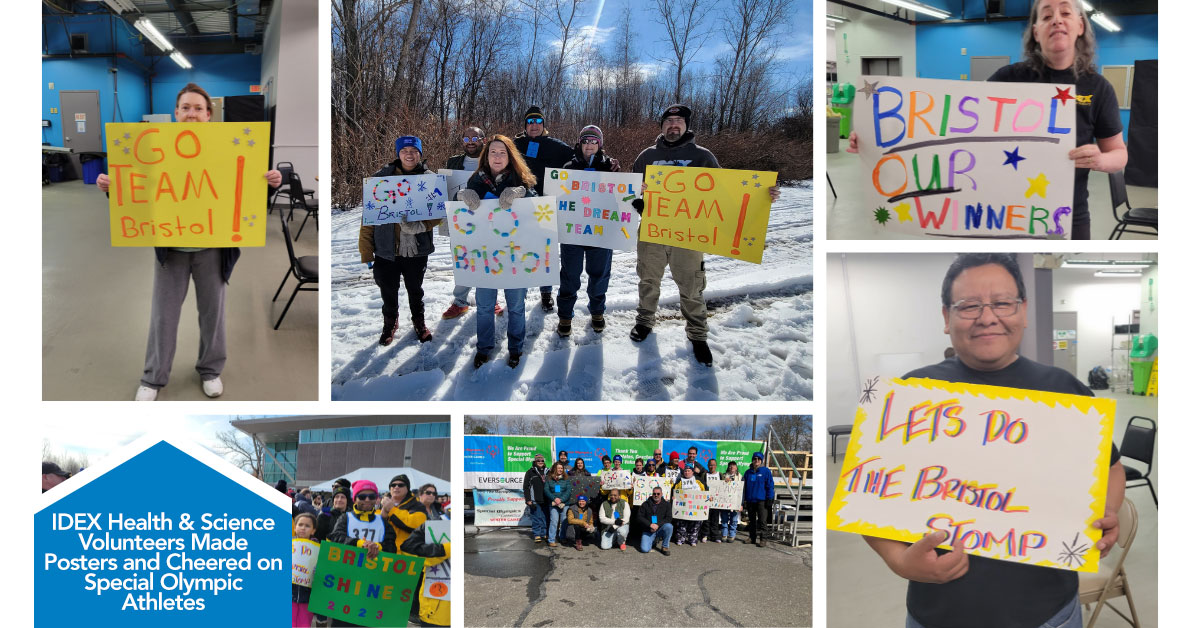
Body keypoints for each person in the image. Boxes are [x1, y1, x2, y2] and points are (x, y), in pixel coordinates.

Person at [864, 252, 1123, 628]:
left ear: (1023, 310)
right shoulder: (911, 395)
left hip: (1049, 614)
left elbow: (1113, 469)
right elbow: (868, 498)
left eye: (1002, 303)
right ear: (945, 317)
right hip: (937, 615)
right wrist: (898, 560)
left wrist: (1107, 510)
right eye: (968, 306)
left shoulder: (1065, 392)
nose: (988, 317)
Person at [847, 0, 1125, 240]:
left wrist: (1102, 159)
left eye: (1065, 13)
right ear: (1036, 32)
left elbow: (1119, 154)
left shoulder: (1098, 88)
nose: (1056, 20)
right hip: (1002, 213)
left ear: (1080, 26)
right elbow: (948, 127)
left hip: (1068, 215)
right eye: (1046, 15)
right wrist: (873, 136)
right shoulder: (1008, 78)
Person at [96, 83, 282, 401]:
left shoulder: (229, 148)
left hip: (212, 250)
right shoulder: (158, 148)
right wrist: (113, 188)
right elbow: (139, 190)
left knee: (213, 314)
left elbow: (243, 195)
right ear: (176, 113)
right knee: (163, 316)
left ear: (209, 114)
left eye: (198, 108)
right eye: (185, 108)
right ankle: (153, 378)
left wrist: (269, 185)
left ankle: (210, 371)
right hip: (171, 251)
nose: (191, 113)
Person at [628, 104, 780, 366]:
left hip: (689, 235)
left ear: (687, 126)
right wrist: (636, 199)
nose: (673, 125)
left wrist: (763, 195)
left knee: (692, 286)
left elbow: (727, 193)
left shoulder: (703, 156)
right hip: (653, 231)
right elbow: (629, 192)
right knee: (648, 279)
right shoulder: (646, 156)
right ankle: (644, 321)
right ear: (661, 126)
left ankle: (697, 335)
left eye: (678, 121)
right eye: (669, 121)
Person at [458, 135, 538, 369]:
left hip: (515, 255)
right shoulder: (476, 179)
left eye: (502, 152)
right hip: (485, 256)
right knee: (484, 305)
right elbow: (458, 209)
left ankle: (516, 347)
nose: (497, 156)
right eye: (493, 152)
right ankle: (484, 348)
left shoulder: (521, 178)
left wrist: (521, 194)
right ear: (486, 155)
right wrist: (462, 196)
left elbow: (536, 204)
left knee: (515, 305)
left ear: (510, 155)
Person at [359, 136, 442, 346]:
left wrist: (421, 226)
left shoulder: (429, 178)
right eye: (404, 150)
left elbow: (438, 213)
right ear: (398, 153)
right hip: (386, 249)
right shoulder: (381, 178)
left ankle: (419, 321)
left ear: (420, 154)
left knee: (415, 289)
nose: (409, 154)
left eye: (414, 150)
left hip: (417, 248)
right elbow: (368, 218)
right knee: (388, 290)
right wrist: (366, 251)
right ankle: (390, 323)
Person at [554, 124, 619, 337]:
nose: (589, 145)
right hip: (574, 230)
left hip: (600, 230)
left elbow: (621, 197)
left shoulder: (610, 166)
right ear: (580, 143)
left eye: (594, 141)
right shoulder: (568, 166)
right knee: (570, 275)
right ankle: (565, 316)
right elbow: (559, 196)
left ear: (599, 144)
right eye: (586, 140)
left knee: (599, 275)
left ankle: (597, 313)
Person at [512, 106, 576, 313]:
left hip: (546, 206)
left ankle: (546, 293)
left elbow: (578, 157)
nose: (534, 126)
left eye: (538, 122)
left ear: (543, 125)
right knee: (518, 247)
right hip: (519, 205)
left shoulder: (555, 145)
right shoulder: (515, 145)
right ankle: (517, 292)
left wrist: (606, 162)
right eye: (530, 122)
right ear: (525, 125)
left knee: (545, 250)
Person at [441, 125, 503, 319]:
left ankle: (491, 300)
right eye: (466, 139)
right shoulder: (453, 162)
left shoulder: (492, 161)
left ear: (483, 140)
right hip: (461, 222)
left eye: (474, 138)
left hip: (488, 221)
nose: (470, 142)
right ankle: (460, 301)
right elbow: (444, 191)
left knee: (490, 258)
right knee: (462, 260)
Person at [399, 488, 450, 627]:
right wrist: (447, 549)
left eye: (434, 493)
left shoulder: (440, 514)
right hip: (435, 609)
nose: (432, 496)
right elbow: (409, 548)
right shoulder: (432, 521)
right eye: (428, 493)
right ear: (420, 496)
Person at [382, 473, 426, 546]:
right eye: (393, 485)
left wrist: (392, 510)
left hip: (405, 551)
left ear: (407, 489)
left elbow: (414, 525)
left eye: (401, 485)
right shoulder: (382, 504)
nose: (396, 487)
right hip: (384, 549)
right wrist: (383, 517)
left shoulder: (417, 505)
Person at [291, 512, 318, 628]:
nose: (303, 528)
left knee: (304, 624)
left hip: (307, 597)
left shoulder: (318, 549)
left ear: (313, 530)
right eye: (300, 524)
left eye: (307, 526)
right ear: (295, 527)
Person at [742, 451, 774, 547]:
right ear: (752, 460)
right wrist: (745, 500)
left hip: (762, 501)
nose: (756, 461)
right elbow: (744, 487)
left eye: (758, 459)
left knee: (762, 521)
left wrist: (770, 498)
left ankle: (763, 539)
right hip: (751, 500)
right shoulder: (748, 473)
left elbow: (770, 485)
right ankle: (752, 537)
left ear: (761, 461)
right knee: (751, 521)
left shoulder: (766, 471)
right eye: (755, 459)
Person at [670, 464, 707, 546]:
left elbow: (705, 492)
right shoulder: (679, 482)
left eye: (688, 471)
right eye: (685, 471)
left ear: (692, 472)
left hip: (695, 507)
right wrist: (674, 497)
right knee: (681, 524)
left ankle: (692, 539)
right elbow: (675, 491)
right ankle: (680, 538)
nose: (686, 472)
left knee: (695, 524)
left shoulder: (699, 481)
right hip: (683, 507)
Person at [637, 485, 673, 555]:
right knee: (645, 549)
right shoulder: (645, 504)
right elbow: (639, 517)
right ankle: (654, 540)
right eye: (654, 494)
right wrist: (649, 525)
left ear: (662, 494)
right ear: (652, 494)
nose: (656, 495)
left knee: (669, 526)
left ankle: (665, 547)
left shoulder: (667, 504)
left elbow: (669, 518)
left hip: (660, 528)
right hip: (648, 529)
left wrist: (658, 525)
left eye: (658, 494)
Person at [521, 453, 549, 542]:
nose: (540, 462)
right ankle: (537, 534)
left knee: (545, 517)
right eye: (538, 460)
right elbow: (526, 487)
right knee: (536, 517)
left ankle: (544, 533)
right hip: (535, 499)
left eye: (542, 460)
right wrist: (528, 499)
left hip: (546, 499)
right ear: (535, 461)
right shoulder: (530, 472)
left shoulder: (548, 472)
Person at [543, 461, 571, 547]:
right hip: (553, 504)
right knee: (554, 521)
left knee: (564, 521)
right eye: (558, 468)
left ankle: (562, 537)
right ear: (555, 468)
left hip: (564, 504)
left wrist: (561, 499)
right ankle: (551, 539)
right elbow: (546, 490)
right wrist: (555, 499)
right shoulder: (549, 478)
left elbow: (568, 491)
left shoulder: (566, 479)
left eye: (561, 468)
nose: (560, 469)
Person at [719, 461, 742, 543]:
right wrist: (724, 482)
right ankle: (724, 534)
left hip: (735, 501)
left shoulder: (740, 477)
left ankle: (732, 535)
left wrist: (741, 504)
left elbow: (742, 491)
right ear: (728, 467)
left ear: (736, 467)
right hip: (725, 501)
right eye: (730, 466)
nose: (732, 467)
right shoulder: (723, 476)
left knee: (734, 519)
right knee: (724, 518)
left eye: (734, 466)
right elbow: (719, 488)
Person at [701, 458, 721, 542]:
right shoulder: (705, 475)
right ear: (708, 466)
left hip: (716, 501)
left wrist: (727, 480)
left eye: (713, 465)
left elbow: (725, 483)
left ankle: (715, 536)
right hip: (707, 500)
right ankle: (705, 534)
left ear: (716, 466)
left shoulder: (720, 475)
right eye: (710, 465)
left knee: (715, 519)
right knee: (706, 519)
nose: (711, 466)